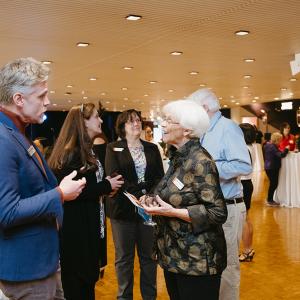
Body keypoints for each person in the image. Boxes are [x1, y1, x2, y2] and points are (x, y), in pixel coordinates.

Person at [0, 57, 86, 300]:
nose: (47, 102)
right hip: (27, 270)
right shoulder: (3, 139)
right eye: (41, 96)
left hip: (42, 263)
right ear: (18, 99)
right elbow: (6, 212)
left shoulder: (19, 133)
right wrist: (59, 194)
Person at [142, 99, 227, 300]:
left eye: (169, 121)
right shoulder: (178, 157)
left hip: (197, 262)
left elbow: (217, 212)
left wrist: (171, 212)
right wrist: (151, 199)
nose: (163, 125)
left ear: (187, 130)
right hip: (175, 257)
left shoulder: (201, 162)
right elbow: (176, 194)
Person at [48, 103, 124, 300]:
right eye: (96, 117)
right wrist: (106, 187)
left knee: (86, 285)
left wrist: (106, 188)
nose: (100, 121)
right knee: (78, 286)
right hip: (76, 233)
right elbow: (74, 191)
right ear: (83, 122)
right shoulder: (71, 152)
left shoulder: (86, 150)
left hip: (88, 227)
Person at [187, 88, 252, 300]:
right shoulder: (204, 131)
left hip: (228, 207)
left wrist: (208, 170)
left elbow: (244, 165)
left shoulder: (228, 128)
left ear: (204, 108)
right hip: (208, 209)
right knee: (211, 264)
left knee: (227, 267)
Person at [105, 109, 164, 300]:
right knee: (124, 260)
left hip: (148, 210)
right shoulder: (113, 148)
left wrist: (149, 196)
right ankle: (124, 297)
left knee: (149, 258)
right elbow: (115, 176)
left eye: (138, 120)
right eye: (131, 122)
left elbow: (159, 178)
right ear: (122, 127)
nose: (136, 124)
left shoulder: (152, 148)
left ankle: (150, 296)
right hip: (122, 211)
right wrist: (140, 194)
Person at [238, 123, 256, 262]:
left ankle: (246, 250)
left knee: (244, 219)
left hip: (243, 184)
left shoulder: (243, 148)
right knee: (247, 218)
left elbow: (242, 169)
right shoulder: (251, 147)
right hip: (248, 183)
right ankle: (249, 248)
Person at [264, 132, 289, 206]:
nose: (281, 142)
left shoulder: (268, 145)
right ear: (277, 140)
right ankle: (269, 200)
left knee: (273, 184)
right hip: (272, 167)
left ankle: (270, 199)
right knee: (273, 184)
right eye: (280, 140)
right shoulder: (272, 146)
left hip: (269, 167)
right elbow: (281, 155)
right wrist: (286, 149)